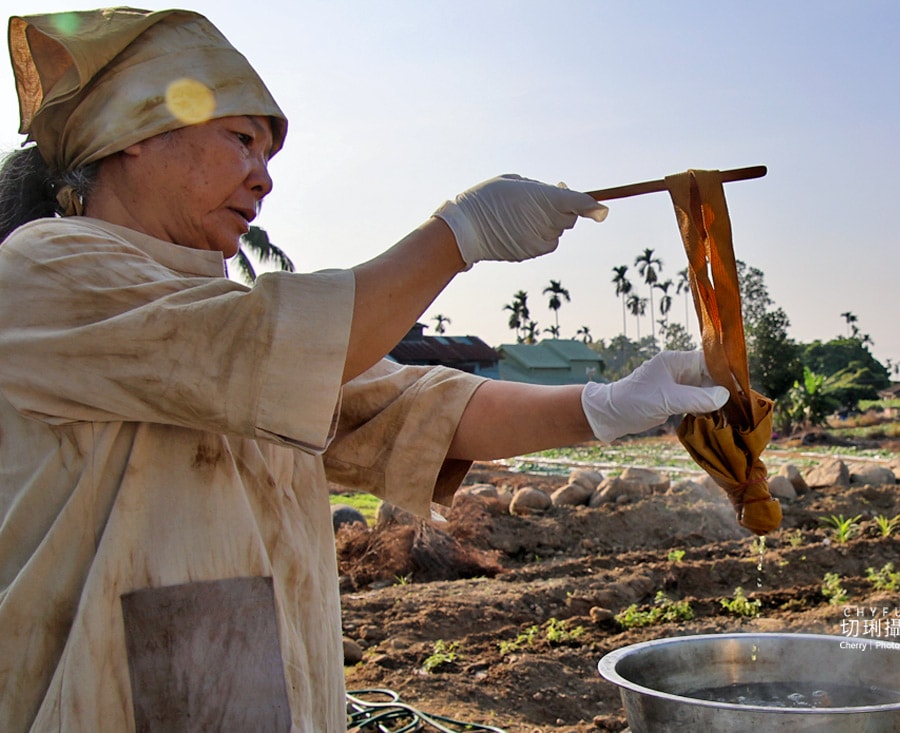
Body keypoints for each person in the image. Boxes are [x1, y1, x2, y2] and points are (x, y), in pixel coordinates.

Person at [0, 8, 730, 731]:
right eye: (242, 140)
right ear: (136, 132)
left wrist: (610, 403)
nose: (263, 180)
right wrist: (459, 235)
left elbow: (411, 406)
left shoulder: (219, 319)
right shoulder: (45, 271)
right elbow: (270, 344)